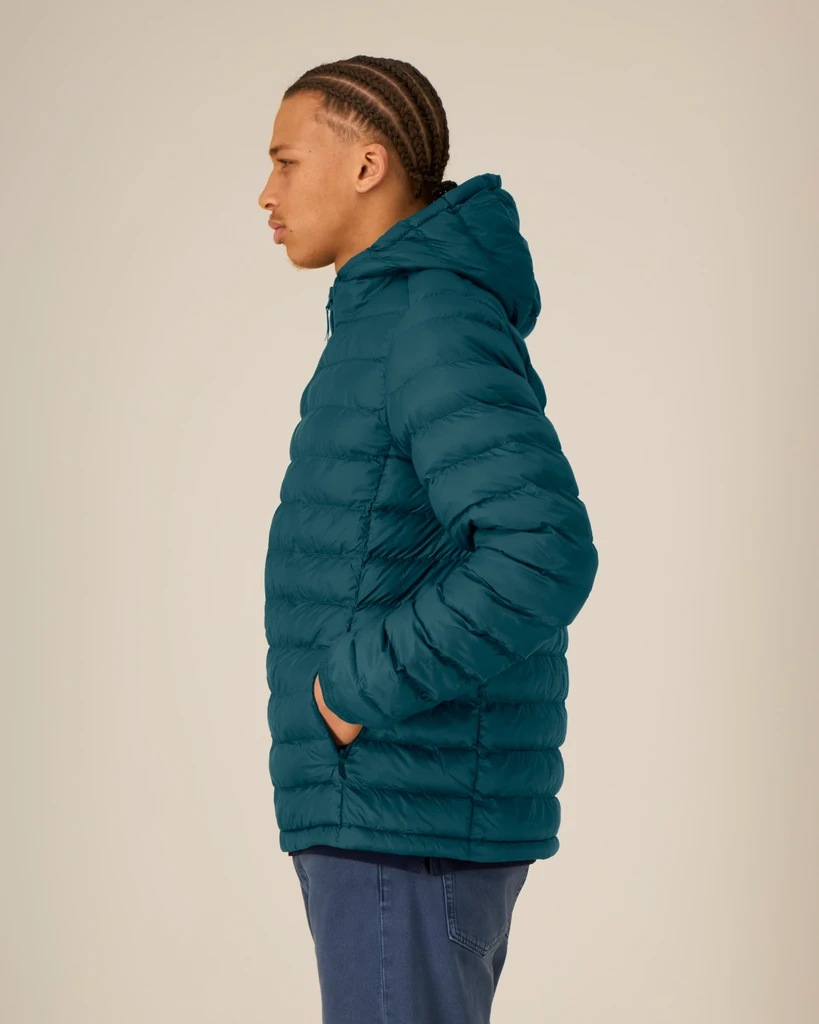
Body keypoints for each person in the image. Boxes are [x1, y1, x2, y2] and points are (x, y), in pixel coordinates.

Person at [258, 54, 599, 1024]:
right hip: (391, 813)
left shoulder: (427, 317)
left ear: (367, 165)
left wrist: (350, 691)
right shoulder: (390, 317)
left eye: (285, 162)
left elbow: (541, 548)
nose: (265, 194)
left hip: (404, 819)